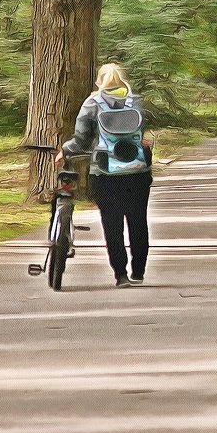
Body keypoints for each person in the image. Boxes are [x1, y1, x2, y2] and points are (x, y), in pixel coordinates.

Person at [57, 63, 153, 288]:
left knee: (112, 224)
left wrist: (65, 150)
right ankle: (138, 272)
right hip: (137, 171)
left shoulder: (92, 103)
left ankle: (121, 275)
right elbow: (143, 132)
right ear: (123, 80)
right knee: (138, 221)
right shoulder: (136, 102)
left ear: (99, 81)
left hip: (105, 172)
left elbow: (81, 140)